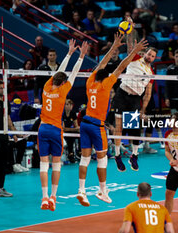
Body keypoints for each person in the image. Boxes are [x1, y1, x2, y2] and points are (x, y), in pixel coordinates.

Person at [77, 34, 148, 206]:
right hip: (96, 126)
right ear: (105, 77)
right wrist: (135, 51)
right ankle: (102, 191)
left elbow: (101, 64)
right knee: (102, 159)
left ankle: (81, 190)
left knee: (84, 159)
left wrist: (113, 46)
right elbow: (122, 65)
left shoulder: (90, 82)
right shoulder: (106, 84)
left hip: (84, 124)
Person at [38, 39, 88, 211]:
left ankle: (44, 198)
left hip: (43, 128)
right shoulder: (62, 91)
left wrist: (69, 53)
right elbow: (73, 73)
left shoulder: (47, 86)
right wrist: (80, 56)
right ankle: (53, 196)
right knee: (56, 165)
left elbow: (59, 72)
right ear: (62, 83)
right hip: (55, 130)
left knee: (44, 165)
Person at [113, 17, 158, 172]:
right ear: (145, 53)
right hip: (122, 94)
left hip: (134, 100)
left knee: (134, 130)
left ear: (154, 58)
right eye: (149, 54)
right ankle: (117, 156)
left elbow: (148, 94)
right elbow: (131, 44)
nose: (150, 57)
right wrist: (131, 28)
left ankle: (134, 156)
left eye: (153, 56)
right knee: (118, 128)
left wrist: (143, 110)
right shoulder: (136, 57)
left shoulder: (151, 73)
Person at [62, 99, 80, 163]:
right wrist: (74, 129)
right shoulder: (62, 114)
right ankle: (71, 154)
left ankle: (79, 152)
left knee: (80, 133)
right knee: (70, 137)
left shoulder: (73, 113)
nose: (68, 106)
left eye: (69, 104)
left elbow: (76, 126)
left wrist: (78, 129)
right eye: (66, 104)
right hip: (63, 133)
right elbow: (63, 128)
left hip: (70, 131)